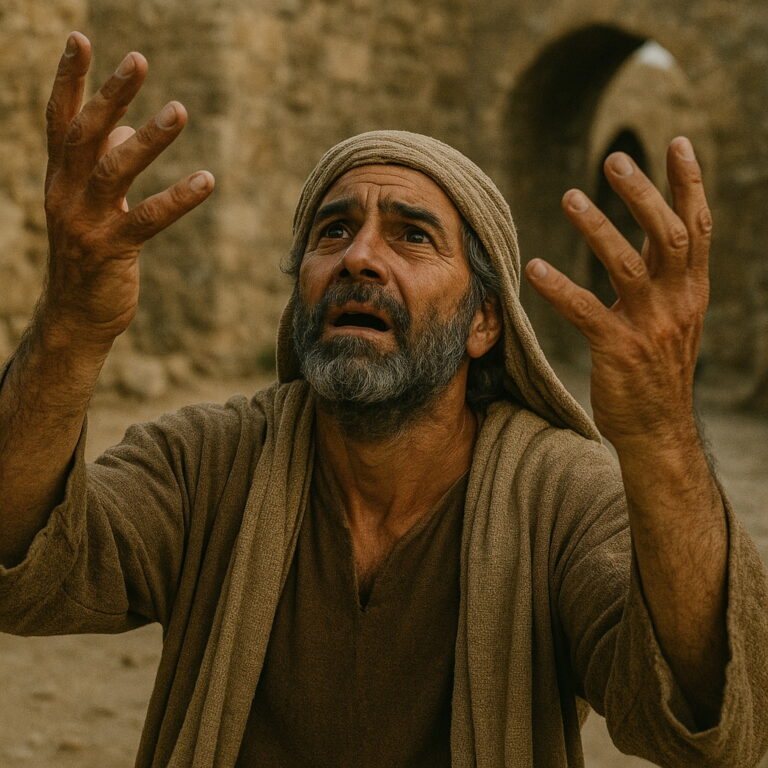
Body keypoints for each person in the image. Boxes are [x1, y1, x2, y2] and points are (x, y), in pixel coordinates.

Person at [0, 31, 766, 768]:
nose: (359, 256)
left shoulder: (560, 498)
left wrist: (662, 431)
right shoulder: (211, 464)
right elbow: (26, 575)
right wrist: (71, 322)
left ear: (484, 323)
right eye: (333, 231)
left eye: (411, 236)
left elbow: (712, 726)